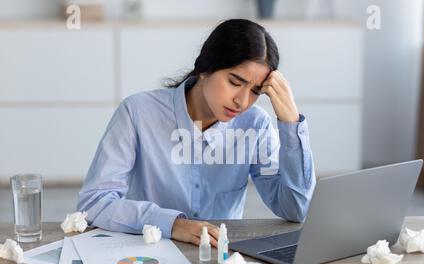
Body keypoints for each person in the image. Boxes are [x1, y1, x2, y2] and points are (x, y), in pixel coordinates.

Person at [76, 19, 316, 248]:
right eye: (234, 82)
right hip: (149, 250)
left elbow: (297, 209)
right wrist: (173, 224)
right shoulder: (137, 113)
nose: (242, 101)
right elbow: (95, 203)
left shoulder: (255, 124)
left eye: (255, 91)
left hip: (219, 259)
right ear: (205, 68)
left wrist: (291, 122)